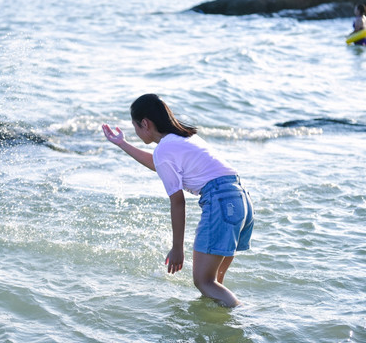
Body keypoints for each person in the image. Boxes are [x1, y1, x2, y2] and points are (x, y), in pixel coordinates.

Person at [102, 94, 254, 307]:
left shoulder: (164, 148)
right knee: (214, 284)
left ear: (145, 123)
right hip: (240, 200)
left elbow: (177, 201)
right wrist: (122, 143)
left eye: (135, 126)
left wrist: (177, 248)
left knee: (204, 282)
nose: (135, 132)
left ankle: (245, 321)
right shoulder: (182, 137)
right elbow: (158, 163)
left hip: (221, 201)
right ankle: (217, 329)